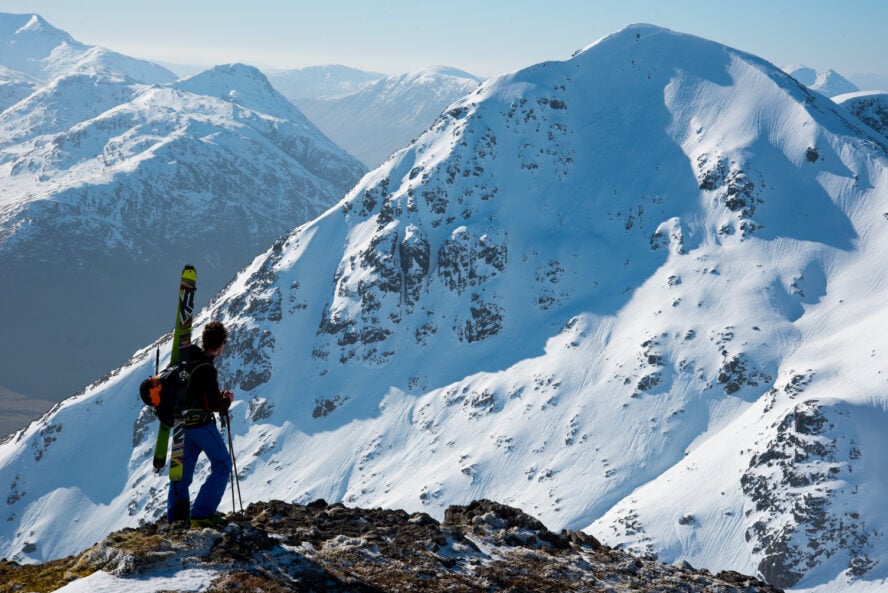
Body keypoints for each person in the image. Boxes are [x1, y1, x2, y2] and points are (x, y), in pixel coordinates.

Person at [167, 320, 235, 526]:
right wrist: (227, 400)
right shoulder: (207, 369)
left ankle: (176, 519)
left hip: (182, 426)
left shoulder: (188, 358)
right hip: (202, 426)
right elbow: (215, 404)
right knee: (223, 464)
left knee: (181, 474)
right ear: (220, 345)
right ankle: (201, 514)